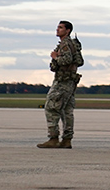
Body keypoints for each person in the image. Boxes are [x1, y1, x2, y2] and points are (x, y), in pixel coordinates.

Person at [37, 20, 83, 149]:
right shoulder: (73, 44)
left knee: (51, 107)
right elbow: (79, 61)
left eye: (61, 28)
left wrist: (55, 57)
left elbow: (67, 59)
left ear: (67, 30)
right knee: (67, 110)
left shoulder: (65, 44)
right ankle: (67, 139)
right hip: (70, 81)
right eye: (57, 27)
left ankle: (53, 138)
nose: (58, 30)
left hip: (63, 81)